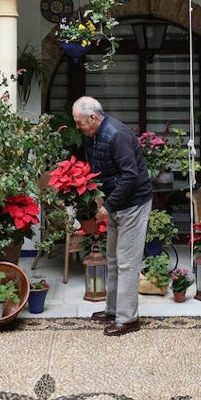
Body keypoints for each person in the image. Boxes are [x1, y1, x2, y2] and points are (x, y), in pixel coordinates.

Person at [71, 95, 152, 336]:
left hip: (134, 204)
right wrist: (99, 200)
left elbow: (131, 176)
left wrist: (107, 206)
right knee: (114, 259)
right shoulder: (93, 136)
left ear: (93, 117)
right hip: (116, 203)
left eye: (79, 122)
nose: (77, 126)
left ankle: (128, 319)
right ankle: (114, 309)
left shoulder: (117, 135)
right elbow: (98, 173)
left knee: (127, 263)